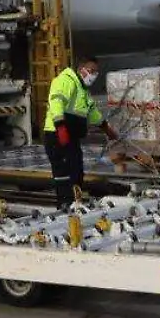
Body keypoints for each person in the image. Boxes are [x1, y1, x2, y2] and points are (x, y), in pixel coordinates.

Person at [42, 56, 118, 209]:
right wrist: (60, 127)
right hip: (57, 135)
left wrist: (106, 128)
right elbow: (56, 101)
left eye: (96, 73)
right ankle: (64, 204)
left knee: (76, 170)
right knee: (63, 172)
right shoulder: (65, 81)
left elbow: (92, 113)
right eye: (91, 71)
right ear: (81, 69)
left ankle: (75, 202)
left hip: (71, 137)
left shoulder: (83, 91)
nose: (93, 76)